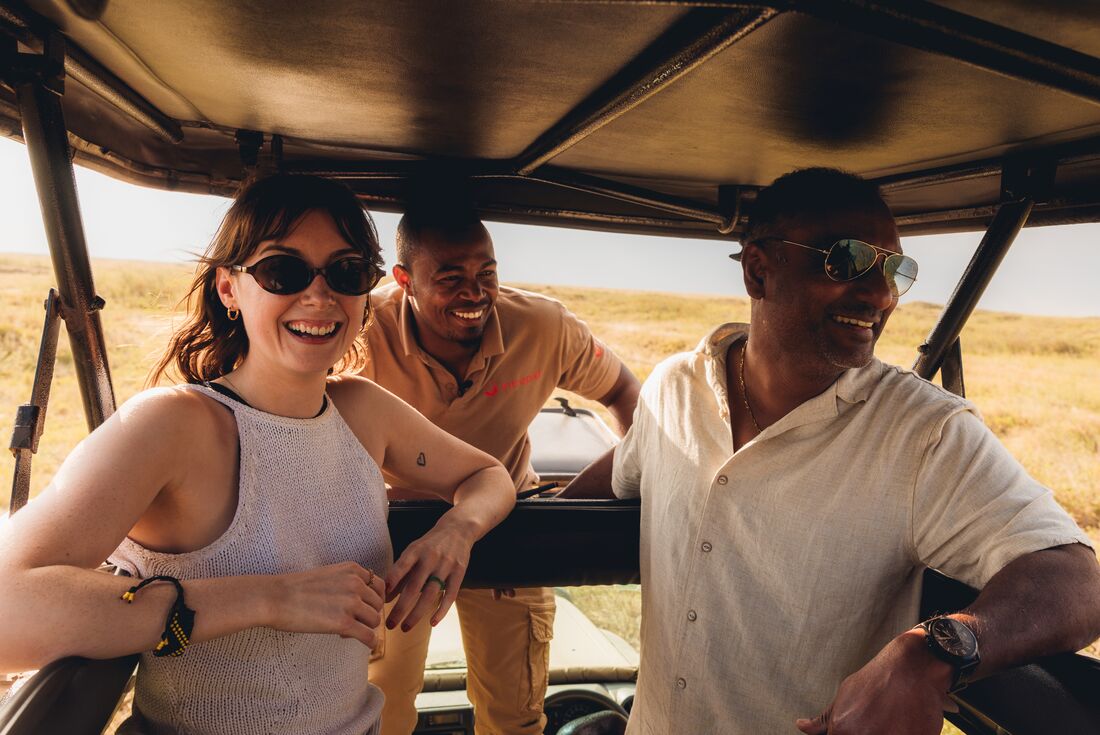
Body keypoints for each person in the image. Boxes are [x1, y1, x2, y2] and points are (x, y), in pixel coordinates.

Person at [564, 168, 1100, 734]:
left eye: (894, 270)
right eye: (845, 261)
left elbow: (1076, 581)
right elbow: (627, 469)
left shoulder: (924, 433)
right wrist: (515, 530)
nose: (880, 294)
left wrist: (931, 652)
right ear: (758, 271)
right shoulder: (674, 388)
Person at [0, 175, 516, 735]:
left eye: (346, 272)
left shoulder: (363, 411)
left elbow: (487, 475)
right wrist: (270, 599)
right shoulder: (173, 425)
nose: (319, 296)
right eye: (282, 271)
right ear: (229, 288)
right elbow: (8, 608)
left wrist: (455, 532)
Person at [362, 199, 640, 735]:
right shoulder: (361, 329)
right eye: (450, 278)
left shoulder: (543, 326)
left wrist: (597, 495)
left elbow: (625, 390)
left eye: (486, 274)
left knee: (515, 716)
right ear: (404, 280)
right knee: (381, 710)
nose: (474, 293)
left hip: (508, 525)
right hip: (396, 535)